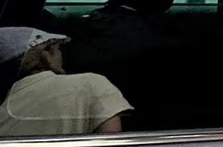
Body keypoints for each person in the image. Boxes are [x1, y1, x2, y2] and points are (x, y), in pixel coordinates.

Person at [0, 28, 131, 139]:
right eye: (58, 49)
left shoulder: (6, 102)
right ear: (47, 53)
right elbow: (111, 143)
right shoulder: (91, 83)